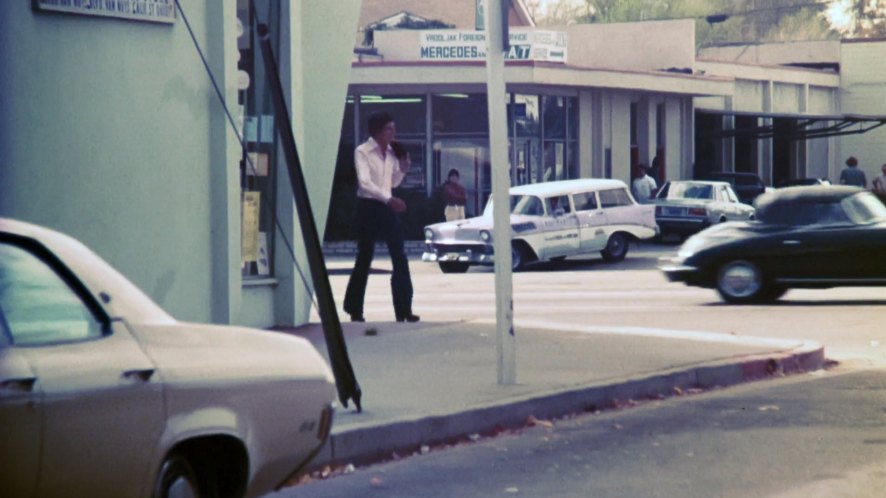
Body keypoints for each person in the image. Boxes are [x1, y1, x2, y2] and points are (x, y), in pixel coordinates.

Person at [343, 112, 419, 323]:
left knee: (400, 256)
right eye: (388, 129)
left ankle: (404, 308)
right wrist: (389, 200)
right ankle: (354, 309)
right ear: (377, 131)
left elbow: (392, 183)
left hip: (387, 206)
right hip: (369, 206)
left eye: (394, 128)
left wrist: (402, 169)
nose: (393, 133)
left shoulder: (393, 153)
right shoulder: (363, 151)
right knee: (365, 257)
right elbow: (365, 182)